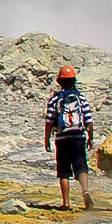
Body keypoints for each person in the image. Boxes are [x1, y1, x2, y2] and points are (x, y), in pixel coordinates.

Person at [43, 65, 94, 211]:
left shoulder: (54, 99)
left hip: (62, 138)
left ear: (59, 81)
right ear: (74, 81)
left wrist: (47, 139)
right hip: (78, 136)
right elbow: (89, 119)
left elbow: (49, 121)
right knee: (81, 167)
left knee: (64, 171)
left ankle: (66, 203)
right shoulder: (81, 98)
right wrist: (90, 137)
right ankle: (85, 191)